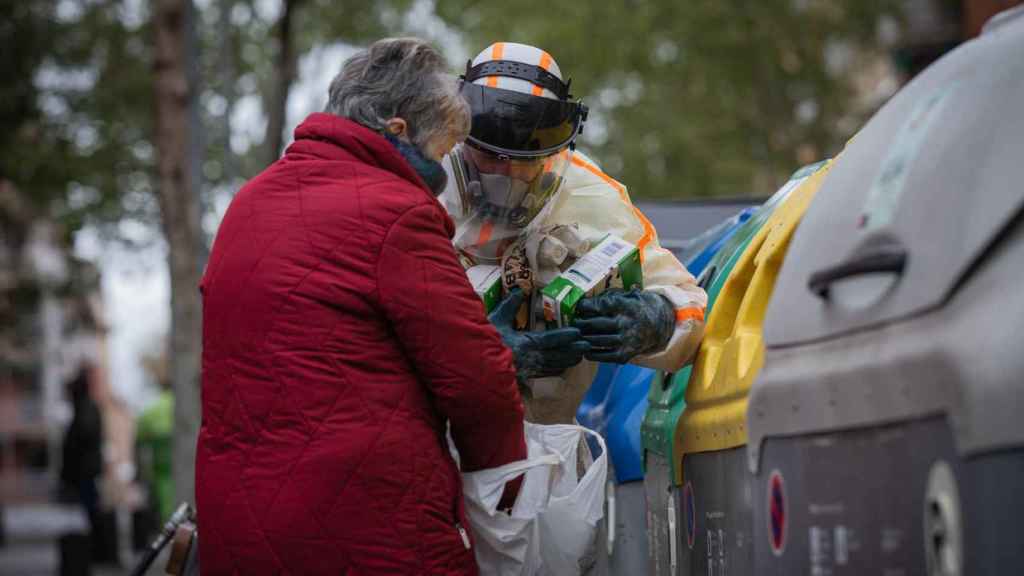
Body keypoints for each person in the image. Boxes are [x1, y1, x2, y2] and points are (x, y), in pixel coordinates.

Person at [195, 38, 586, 575]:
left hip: (238, 523)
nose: (438, 174)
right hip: (364, 528)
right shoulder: (395, 211)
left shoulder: (249, 202)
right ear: (398, 131)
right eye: (436, 152)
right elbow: (477, 381)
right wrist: (503, 500)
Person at [440, 42, 708, 424]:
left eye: (524, 158)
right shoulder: (421, 185)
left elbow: (689, 300)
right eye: (489, 156)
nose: (506, 173)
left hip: (546, 448)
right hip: (431, 440)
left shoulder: (591, 197)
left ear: (552, 149)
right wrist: (477, 356)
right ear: (461, 138)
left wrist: (658, 318)